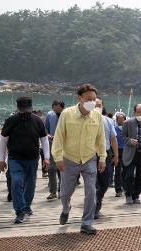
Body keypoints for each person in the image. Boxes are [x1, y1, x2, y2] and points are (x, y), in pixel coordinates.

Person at [52, 84, 106, 235]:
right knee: (65, 193)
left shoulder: (97, 116)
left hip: (89, 159)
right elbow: (58, 137)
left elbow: (101, 139)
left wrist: (102, 158)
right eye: (89, 99)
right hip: (69, 159)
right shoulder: (67, 114)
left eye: (94, 99)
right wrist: (57, 157)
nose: (92, 102)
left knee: (91, 192)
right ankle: (65, 208)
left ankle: (86, 223)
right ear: (80, 98)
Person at [0, 96, 50, 224]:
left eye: (27, 110)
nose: (24, 112)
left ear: (31, 108)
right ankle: (20, 211)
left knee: (30, 184)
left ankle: (27, 206)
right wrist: (1, 159)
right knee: (16, 181)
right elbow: (3, 140)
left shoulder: (38, 121)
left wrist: (47, 158)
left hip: (32, 158)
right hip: (15, 158)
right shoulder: (10, 121)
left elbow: (44, 139)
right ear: (17, 108)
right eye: (22, 110)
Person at [93, 97, 118, 218]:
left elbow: (113, 139)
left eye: (99, 105)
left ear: (102, 107)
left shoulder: (108, 121)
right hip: (90, 155)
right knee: (92, 182)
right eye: (95, 105)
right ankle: (94, 208)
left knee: (106, 181)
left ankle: (97, 200)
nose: (97, 107)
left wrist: (116, 155)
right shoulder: (84, 120)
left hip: (106, 154)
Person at [44, 100, 65, 200]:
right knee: (52, 169)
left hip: (64, 145)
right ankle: (53, 191)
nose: (55, 109)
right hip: (52, 144)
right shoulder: (49, 115)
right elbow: (45, 129)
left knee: (63, 169)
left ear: (62, 108)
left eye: (57, 107)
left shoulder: (66, 115)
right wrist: (48, 135)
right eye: (54, 107)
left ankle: (62, 191)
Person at [114, 112, 126, 197]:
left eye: (122, 119)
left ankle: (126, 188)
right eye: (119, 119)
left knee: (126, 171)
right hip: (117, 151)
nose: (121, 121)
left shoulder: (127, 129)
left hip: (126, 152)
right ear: (117, 120)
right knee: (118, 171)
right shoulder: (114, 129)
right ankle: (118, 190)